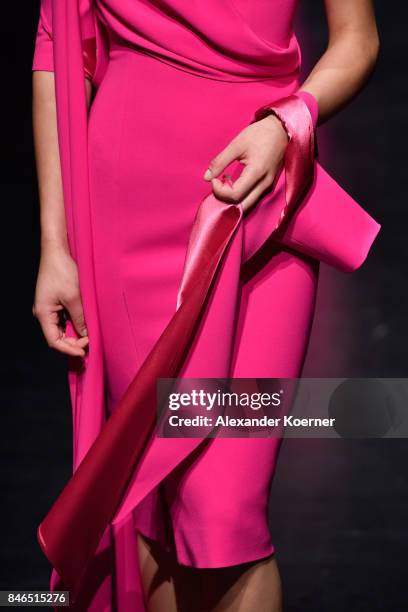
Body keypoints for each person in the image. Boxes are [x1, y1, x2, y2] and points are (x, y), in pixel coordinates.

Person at [32, 1, 379, 610]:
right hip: (129, 207)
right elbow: (58, 46)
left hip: (264, 197)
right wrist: (55, 245)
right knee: (159, 498)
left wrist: (284, 124)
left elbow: (358, 42)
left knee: (226, 513)